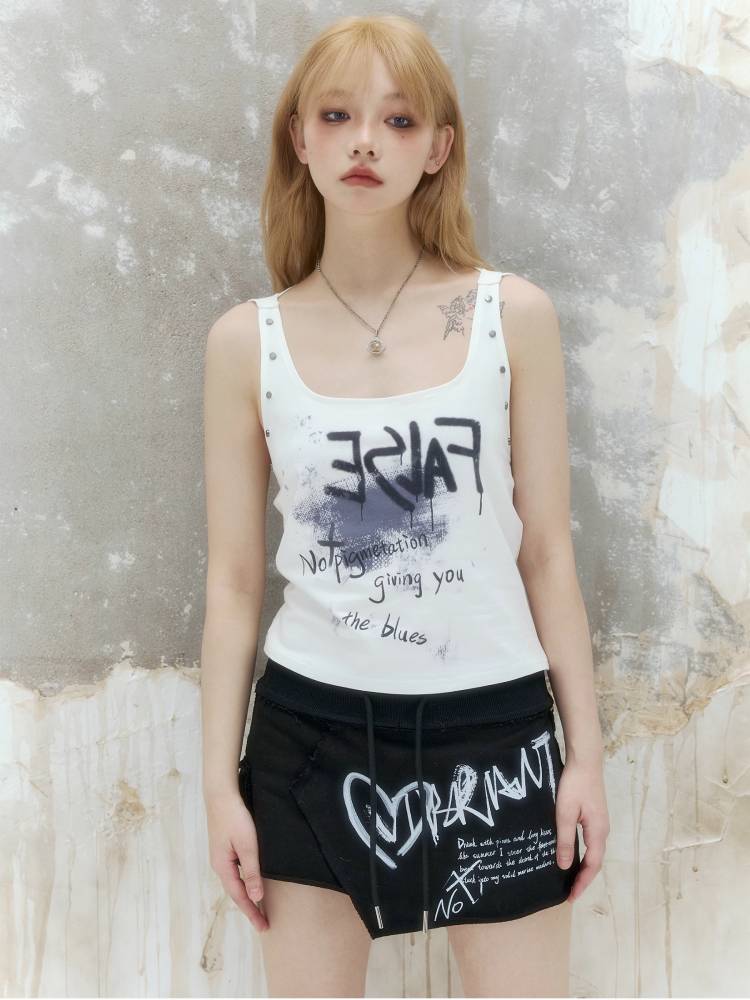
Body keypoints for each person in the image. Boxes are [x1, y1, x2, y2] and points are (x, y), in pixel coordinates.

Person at [201, 13, 609, 998]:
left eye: (398, 119)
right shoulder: (245, 342)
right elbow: (234, 581)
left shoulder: (511, 317)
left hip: (496, 736)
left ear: (438, 148)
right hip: (311, 735)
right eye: (337, 115)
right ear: (300, 138)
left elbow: (547, 553)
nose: (365, 143)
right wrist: (219, 784)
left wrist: (587, 759)